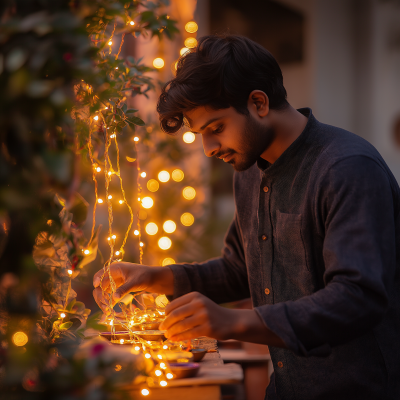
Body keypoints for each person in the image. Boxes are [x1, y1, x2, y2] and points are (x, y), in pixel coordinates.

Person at [93, 35, 400, 399]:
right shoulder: (250, 172)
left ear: (258, 102)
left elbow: (356, 299)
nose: (209, 149)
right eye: (201, 135)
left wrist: (233, 322)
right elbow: (241, 270)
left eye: (216, 128)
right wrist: (157, 277)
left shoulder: (347, 169)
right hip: (286, 387)